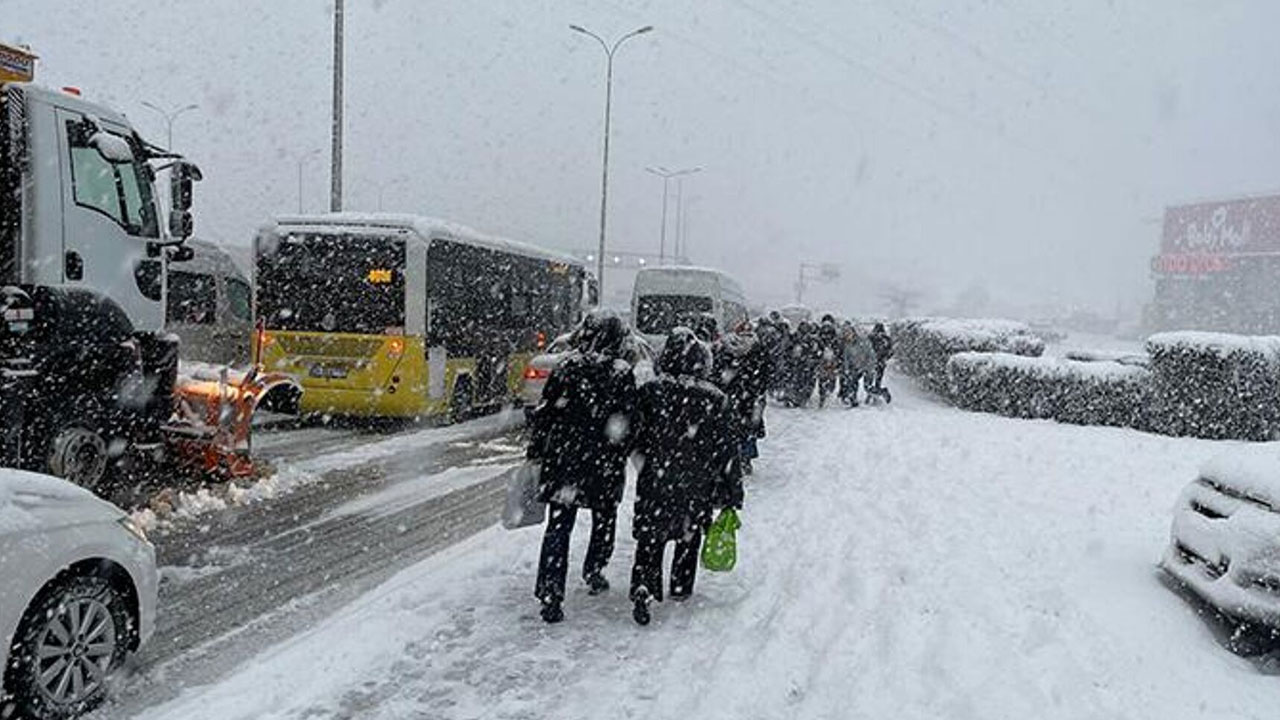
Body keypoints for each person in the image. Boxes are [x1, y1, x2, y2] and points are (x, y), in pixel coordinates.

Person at [527, 314, 637, 623]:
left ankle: (550, 590)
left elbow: (545, 413)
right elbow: (628, 420)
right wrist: (621, 447)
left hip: (564, 460)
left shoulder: (565, 368)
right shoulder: (620, 373)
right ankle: (595, 568)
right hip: (603, 462)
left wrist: (537, 451)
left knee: (559, 525)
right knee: (604, 517)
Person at [629, 327, 744, 625]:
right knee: (687, 535)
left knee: (650, 537)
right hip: (696, 481)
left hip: (655, 477)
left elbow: (633, 434)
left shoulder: (651, 391)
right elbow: (728, 450)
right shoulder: (714, 398)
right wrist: (733, 491)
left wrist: (644, 458)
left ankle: (644, 584)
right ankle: (680, 586)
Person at [715, 320, 771, 475]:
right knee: (748, 428)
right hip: (749, 396)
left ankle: (737, 457)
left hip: (734, 394)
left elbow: (719, 372)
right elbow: (766, 372)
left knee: (733, 427)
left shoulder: (728, 348)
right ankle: (745, 458)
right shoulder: (758, 349)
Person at [841, 324, 877, 407]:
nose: (847, 336)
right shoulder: (847, 345)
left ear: (853, 333)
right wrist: (846, 369)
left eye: (849, 333)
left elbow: (871, 356)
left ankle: (882, 392)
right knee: (852, 382)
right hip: (856, 368)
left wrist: (869, 367)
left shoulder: (863, 342)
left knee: (867, 387)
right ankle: (853, 400)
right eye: (845, 334)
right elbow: (846, 358)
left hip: (867, 367)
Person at [815, 315, 841, 408]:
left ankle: (826, 393)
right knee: (824, 378)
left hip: (830, 358)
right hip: (824, 358)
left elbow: (838, 345)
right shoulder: (821, 333)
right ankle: (823, 396)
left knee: (828, 378)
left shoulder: (833, 333)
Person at [868, 322, 894, 403]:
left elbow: (867, 349)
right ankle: (877, 395)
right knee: (878, 380)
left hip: (872, 363)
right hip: (881, 363)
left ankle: (871, 395)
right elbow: (891, 352)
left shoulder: (871, 337)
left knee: (870, 381)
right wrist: (885, 358)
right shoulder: (887, 339)